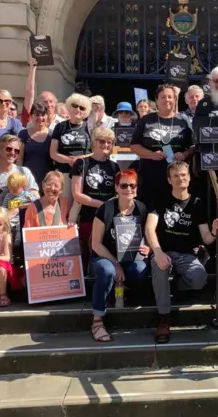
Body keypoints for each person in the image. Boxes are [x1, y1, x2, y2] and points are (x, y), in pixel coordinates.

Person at [146, 161, 218, 344]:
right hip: (162, 251)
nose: (180, 178)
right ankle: (164, 318)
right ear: (169, 179)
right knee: (159, 267)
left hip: (186, 255)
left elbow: (206, 238)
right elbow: (149, 228)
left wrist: (214, 231)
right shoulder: (159, 198)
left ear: (189, 178)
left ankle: (172, 286)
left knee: (199, 278)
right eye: (176, 176)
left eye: (183, 175)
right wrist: (157, 252)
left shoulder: (197, 203)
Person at [90, 169, 151, 342]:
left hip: (130, 258)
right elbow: (96, 244)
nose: (129, 189)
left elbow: (149, 234)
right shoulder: (105, 209)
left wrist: (148, 247)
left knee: (140, 269)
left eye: (132, 185)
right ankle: (97, 320)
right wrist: (116, 263)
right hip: (105, 258)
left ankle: (121, 286)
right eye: (124, 185)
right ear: (116, 187)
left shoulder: (141, 208)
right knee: (108, 270)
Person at [130, 84, 193, 206]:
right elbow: (134, 145)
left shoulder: (183, 120)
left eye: (170, 97)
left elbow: (194, 146)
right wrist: (151, 154)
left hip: (177, 179)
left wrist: (184, 154)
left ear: (175, 100)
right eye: (163, 97)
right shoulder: (146, 120)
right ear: (157, 100)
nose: (167, 100)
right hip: (150, 176)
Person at [71, 127, 120, 268]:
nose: (106, 145)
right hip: (87, 217)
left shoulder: (114, 166)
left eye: (109, 142)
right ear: (94, 142)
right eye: (102, 141)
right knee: (86, 258)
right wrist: (102, 204)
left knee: (105, 258)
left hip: (107, 220)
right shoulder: (82, 163)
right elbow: (77, 194)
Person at [50, 93, 92, 207]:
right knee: (64, 206)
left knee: (80, 206)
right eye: (75, 105)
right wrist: (69, 160)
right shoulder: (60, 127)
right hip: (64, 173)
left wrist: (79, 160)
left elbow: (94, 152)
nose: (78, 109)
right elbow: (53, 153)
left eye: (82, 108)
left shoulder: (89, 128)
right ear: (69, 106)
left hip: (83, 173)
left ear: (86, 112)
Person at [0, 135, 39, 208]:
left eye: (16, 150)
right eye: (9, 149)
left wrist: (15, 206)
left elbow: (36, 197)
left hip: (19, 218)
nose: (13, 153)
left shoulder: (24, 172)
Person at [17, 101, 53, 188]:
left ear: (47, 116)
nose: (40, 118)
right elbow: (19, 159)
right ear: (31, 116)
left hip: (47, 181)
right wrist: (20, 177)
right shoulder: (23, 134)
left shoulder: (53, 135)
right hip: (28, 179)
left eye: (43, 114)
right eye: (37, 115)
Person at [22, 57, 65, 130]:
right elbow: (29, 93)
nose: (49, 105)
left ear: (55, 102)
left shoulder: (63, 123)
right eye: (45, 102)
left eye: (51, 101)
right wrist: (33, 68)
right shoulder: (32, 121)